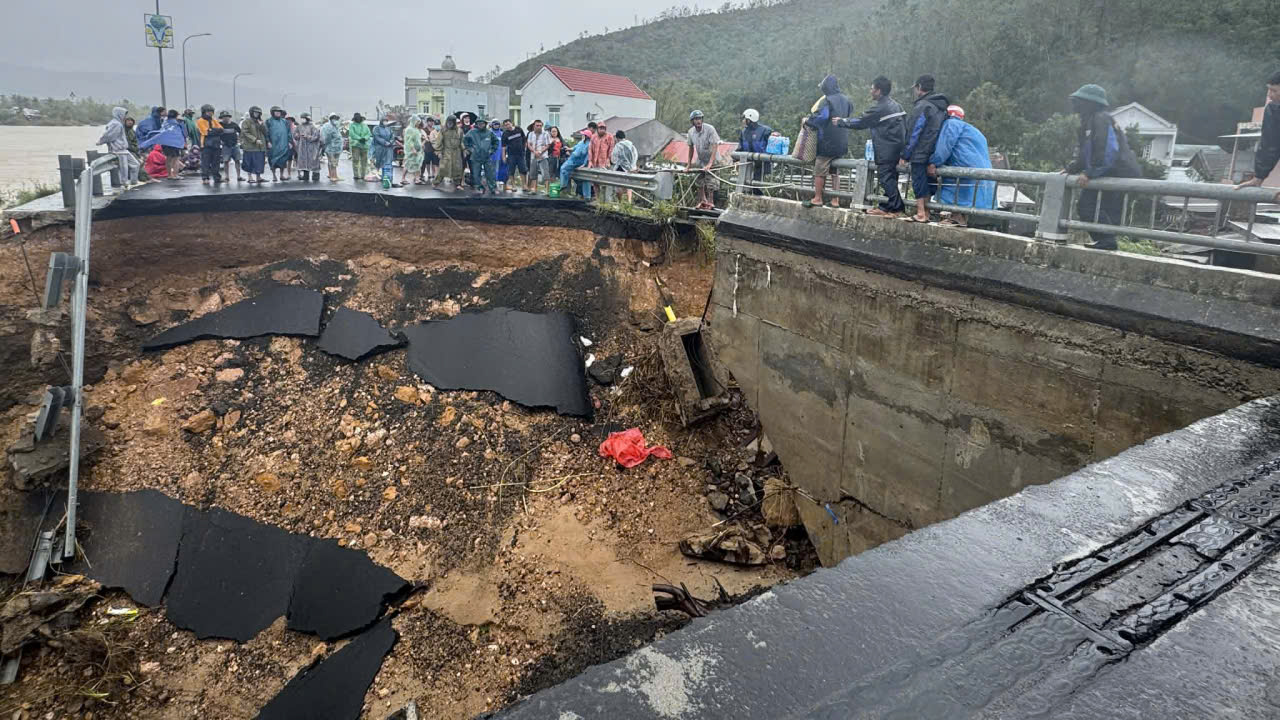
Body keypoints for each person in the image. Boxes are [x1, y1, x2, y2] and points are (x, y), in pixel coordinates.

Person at [1063, 84, 1142, 250]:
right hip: (1108, 171)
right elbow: (1087, 152)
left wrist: (1090, 173)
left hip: (1118, 172)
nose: (1074, 105)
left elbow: (1107, 150)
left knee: (1087, 206)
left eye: (1078, 101)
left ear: (1089, 103)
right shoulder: (1089, 122)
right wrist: (1073, 168)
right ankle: (1106, 241)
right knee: (1096, 207)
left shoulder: (1101, 119)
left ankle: (1107, 241)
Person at [833, 75, 907, 216]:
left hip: (887, 148)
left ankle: (897, 208)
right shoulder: (896, 105)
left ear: (879, 91)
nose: (870, 91)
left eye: (872, 88)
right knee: (891, 178)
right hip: (897, 148)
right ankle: (886, 207)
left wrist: (842, 122)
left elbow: (861, 122)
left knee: (886, 178)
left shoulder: (880, 108)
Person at [927, 107, 994, 227]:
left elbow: (945, 146)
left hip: (963, 165)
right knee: (967, 195)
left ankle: (956, 217)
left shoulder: (951, 124)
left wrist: (934, 163)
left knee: (955, 189)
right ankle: (960, 217)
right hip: (979, 169)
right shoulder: (973, 130)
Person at [899, 74, 950, 222]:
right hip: (935, 152)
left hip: (921, 151)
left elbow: (915, 132)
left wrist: (905, 154)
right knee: (930, 182)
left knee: (919, 181)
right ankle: (926, 212)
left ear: (919, 87)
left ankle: (921, 213)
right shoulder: (941, 107)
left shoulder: (923, 106)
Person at [803, 75, 854, 209]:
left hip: (827, 141)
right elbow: (849, 115)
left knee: (820, 169)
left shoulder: (827, 101)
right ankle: (835, 200)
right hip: (842, 141)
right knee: (835, 171)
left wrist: (809, 121)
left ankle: (818, 198)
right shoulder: (846, 100)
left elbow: (823, 116)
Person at [1236, 70, 1280, 200]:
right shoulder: (1273, 110)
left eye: (1274, 91)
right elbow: (1269, 145)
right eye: (1268, 90)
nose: (1269, 95)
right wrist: (1259, 177)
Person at [686, 110, 722, 210]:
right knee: (699, 179)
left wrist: (710, 163)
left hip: (712, 157)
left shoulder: (710, 129)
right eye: (696, 119)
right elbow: (690, 147)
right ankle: (703, 200)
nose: (698, 121)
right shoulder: (691, 132)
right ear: (692, 121)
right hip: (701, 158)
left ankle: (710, 202)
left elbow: (715, 146)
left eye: (700, 118)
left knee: (711, 181)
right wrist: (689, 164)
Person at [139, 109, 188, 180]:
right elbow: (185, 133)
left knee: (168, 158)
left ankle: (169, 175)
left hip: (165, 143)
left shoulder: (165, 122)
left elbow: (161, 131)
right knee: (176, 159)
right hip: (175, 143)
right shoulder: (179, 122)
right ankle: (175, 175)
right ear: (176, 116)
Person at [97, 106, 141, 187]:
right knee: (124, 168)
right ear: (119, 114)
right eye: (124, 114)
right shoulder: (116, 124)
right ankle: (125, 184)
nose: (125, 116)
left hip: (123, 149)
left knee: (135, 164)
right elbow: (109, 136)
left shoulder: (118, 123)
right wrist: (101, 141)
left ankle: (133, 182)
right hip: (118, 149)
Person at [737, 108, 773, 195]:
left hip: (762, 163)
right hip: (748, 162)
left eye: (745, 119)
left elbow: (772, 145)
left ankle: (761, 202)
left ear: (749, 120)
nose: (743, 121)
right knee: (746, 186)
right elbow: (741, 147)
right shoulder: (743, 132)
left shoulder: (765, 130)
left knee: (757, 186)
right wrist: (735, 157)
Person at [464, 118, 497, 194]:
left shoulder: (489, 133)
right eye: (479, 123)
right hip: (476, 157)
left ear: (485, 124)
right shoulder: (472, 132)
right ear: (476, 124)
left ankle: (492, 188)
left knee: (490, 174)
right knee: (476, 174)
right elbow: (465, 140)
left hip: (487, 157)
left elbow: (496, 142)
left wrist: (491, 150)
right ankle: (479, 187)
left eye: (482, 123)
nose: (480, 125)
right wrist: (470, 149)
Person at [434, 115, 464, 190]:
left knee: (457, 168)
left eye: (451, 122)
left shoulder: (459, 131)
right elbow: (438, 141)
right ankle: (436, 183)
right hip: (446, 152)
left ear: (454, 123)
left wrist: (464, 150)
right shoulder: (443, 130)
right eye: (448, 122)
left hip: (456, 152)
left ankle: (458, 184)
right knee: (443, 168)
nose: (449, 124)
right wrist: (438, 152)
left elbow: (462, 142)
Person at [194, 104, 223, 184]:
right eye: (208, 111)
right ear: (204, 112)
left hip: (216, 144)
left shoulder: (213, 120)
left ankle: (217, 177)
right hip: (206, 145)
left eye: (211, 111)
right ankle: (205, 178)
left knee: (216, 162)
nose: (210, 113)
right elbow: (205, 132)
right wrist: (215, 131)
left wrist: (212, 130)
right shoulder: (200, 121)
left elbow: (221, 129)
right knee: (205, 162)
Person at [559, 131, 592, 199]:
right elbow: (575, 148)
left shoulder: (589, 145)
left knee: (563, 169)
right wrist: (568, 149)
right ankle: (564, 188)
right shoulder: (581, 142)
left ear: (586, 136)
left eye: (583, 135)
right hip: (572, 159)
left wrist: (584, 164)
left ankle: (587, 196)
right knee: (564, 169)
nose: (582, 135)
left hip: (577, 161)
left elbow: (588, 155)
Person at [587, 122, 615, 199]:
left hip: (604, 163)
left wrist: (608, 159)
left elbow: (611, 149)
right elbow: (590, 149)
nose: (602, 130)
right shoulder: (593, 137)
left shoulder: (609, 137)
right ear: (597, 129)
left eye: (603, 128)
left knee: (605, 182)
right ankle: (598, 198)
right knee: (595, 182)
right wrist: (590, 161)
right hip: (595, 162)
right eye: (600, 128)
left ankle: (606, 200)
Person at [240, 106, 268, 184]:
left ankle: (258, 177)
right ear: (251, 113)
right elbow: (245, 132)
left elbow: (265, 132)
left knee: (259, 162)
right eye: (255, 113)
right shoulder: (246, 122)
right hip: (250, 146)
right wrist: (254, 140)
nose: (257, 114)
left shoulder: (261, 121)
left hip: (260, 147)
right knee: (249, 162)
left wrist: (261, 125)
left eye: (258, 113)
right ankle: (250, 177)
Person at [293, 112, 323, 182]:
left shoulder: (313, 127)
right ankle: (305, 176)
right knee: (304, 162)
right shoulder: (299, 126)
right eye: (301, 118)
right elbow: (295, 135)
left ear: (307, 118)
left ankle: (315, 176)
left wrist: (308, 137)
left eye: (303, 118)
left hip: (312, 148)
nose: (302, 120)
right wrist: (298, 136)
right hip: (302, 148)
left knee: (313, 161)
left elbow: (316, 136)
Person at [265, 107, 292, 181]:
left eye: (279, 112)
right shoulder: (268, 121)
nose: (278, 113)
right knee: (272, 160)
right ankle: (274, 175)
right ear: (272, 113)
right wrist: (268, 141)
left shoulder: (285, 121)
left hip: (283, 144)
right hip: (273, 145)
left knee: (283, 160)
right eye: (276, 112)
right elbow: (266, 133)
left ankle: (281, 175)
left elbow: (289, 132)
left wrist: (289, 142)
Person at [611, 129, 638, 202]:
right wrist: (632, 166)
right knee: (629, 186)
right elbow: (635, 156)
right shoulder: (632, 145)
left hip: (621, 168)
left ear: (617, 138)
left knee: (618, 186)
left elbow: (613, 159)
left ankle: (620, 202)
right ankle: (628, 202)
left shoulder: (618, 145)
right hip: (632, 168)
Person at [502, 119, 528, 193]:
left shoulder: (518, 129)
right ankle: (513, 186)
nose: (507, 126)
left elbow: (524, 139)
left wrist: (524, 148)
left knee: (523, 170)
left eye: (508, 124)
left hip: (521, 154)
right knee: (511, 171)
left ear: (512, 123)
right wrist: (503, 156)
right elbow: (503, 147)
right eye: (506, 125)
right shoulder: (505, 134)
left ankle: (524, 185)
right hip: (511, 155)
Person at [526, 119, 551, 194]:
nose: (539, 127)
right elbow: (529, 144)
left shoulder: (545, 134)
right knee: (533, 173)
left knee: (545, 173)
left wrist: (540, 152)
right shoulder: (530, 134)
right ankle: (534, 189)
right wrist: (534, 151)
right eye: (537, 125)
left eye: (540, 125)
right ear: (534, 126)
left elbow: (548, 145)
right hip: (533, 155)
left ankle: (547, 190)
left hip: (543, 156)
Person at [218, 111, 243, 181]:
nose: (225, 118)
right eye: (224, 117)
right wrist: (220, 141)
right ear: (221, 118)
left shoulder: (234, 125)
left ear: (229, 117)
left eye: (227, 117)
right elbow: (216, 133)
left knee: (237, 161)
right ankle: (227, 176)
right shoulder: (219, 125)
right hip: (225, 146)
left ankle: (239, 176)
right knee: (226, 161)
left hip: (235, 145)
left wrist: (240, 141)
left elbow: (240, 132)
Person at [371, 116, 396, 183]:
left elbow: (392, 136)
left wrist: (390, 142)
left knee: (387, 162)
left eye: (386, 121)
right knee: (379, 161)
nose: (385, 122)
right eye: (384, 121)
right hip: (380, 147)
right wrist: (384, 142)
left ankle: (386, 176)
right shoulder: (376, 128)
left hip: (388, 148)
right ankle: (377, 175)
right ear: (381, 121)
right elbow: (376, 136)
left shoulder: (389, 128)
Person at [348, 113, 371, 181]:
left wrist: (365, 138)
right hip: (356, 145)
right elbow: (352, 134)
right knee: (355, 160)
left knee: (364, 161)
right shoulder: (352, 125)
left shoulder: (364, 125)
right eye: (356, 118)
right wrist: (359, 138)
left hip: (364, 145)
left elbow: (368, 133)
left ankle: (363, 174)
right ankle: (356, 175)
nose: (358, 119)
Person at [402, 115, 425, 185]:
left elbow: (417, 139)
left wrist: (422, 142)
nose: (418, 123)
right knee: (408, 164)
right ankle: (403, 178)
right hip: (411, 151)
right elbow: (409, 141)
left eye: (419, 122)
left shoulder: (416, 129)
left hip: (418, 150)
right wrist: (413, 149)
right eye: (417, 121)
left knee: (417, 164)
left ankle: (417, 179)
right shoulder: (409, 129)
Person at [322, 113, 344, 182]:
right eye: (334, 118)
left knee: (333, 162)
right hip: (331, 147)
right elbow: (327, 138)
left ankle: (333, 175)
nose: (336, 120)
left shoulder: (336, 126)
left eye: (337, 118)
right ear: (330, 119)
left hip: (337, 148)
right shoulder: (328, 126)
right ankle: (333, 176)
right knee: (332, 162)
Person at [423, 117, 441, 184]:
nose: (431, 123)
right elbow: (430, 139)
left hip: (436, 149)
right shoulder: (424, 129)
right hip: (428, 147)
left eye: (432, 122)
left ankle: (434, 174)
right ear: (427, 122)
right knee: (427, 162)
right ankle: (429, 173)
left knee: (435, 162)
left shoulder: (438, 130)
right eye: (430, 121)